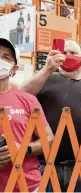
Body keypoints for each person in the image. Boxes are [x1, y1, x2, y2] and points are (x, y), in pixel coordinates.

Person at [19, 39, 81, 192]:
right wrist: (47, 69)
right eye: (64, 53)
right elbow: (18, 98)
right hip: (47, 164)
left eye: (73, 53)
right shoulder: (44, 80)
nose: (68, 55)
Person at [0, 38, 54, 192]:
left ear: (14, 68)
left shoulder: (28, 100)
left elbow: (49, 139)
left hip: (29, 186)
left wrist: (25, 149)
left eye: (6, 57)